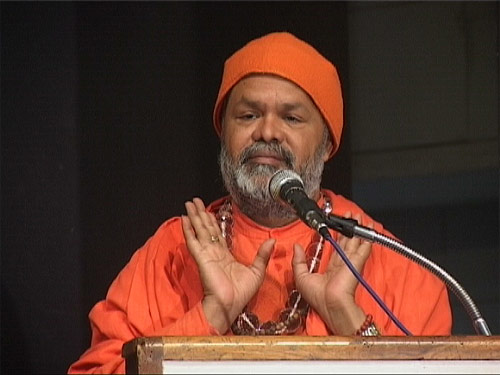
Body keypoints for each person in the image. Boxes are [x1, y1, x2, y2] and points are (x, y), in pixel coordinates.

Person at [68, 32, 452, 374]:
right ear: (224, 132)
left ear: (328, 144)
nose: (267, 131)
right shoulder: (171, 253)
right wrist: (210, 315)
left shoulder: (397, 266)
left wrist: (347, 317)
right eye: (248, 115)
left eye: (291, 118)